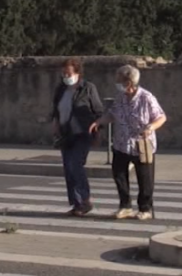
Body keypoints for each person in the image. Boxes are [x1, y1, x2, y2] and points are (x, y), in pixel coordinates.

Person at [90, 65, 167, 221]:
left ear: (129, 82)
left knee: (145, 178)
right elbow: (112, 114)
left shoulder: (146, 97)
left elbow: (161, 117)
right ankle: (125, 206)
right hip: (121, 143)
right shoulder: (121, 98)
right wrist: (99, 122)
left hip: (141, 144)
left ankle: (145, 208)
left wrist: (151, 127)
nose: (117, 83)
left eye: (120, 80)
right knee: (119, 175)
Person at [51, 58, 104, 217]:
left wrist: (97, 130)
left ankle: (85, 200)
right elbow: (56, 109)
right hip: (66, 133)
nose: (65, 75)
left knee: (76, 164)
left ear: (77, 73)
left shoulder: (87, 88)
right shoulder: (61, 89)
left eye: (68, 72)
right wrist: (55, 123)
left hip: (83, 132)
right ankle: (76, 203)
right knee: (68, 168)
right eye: (63, 73)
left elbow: (98, 110)